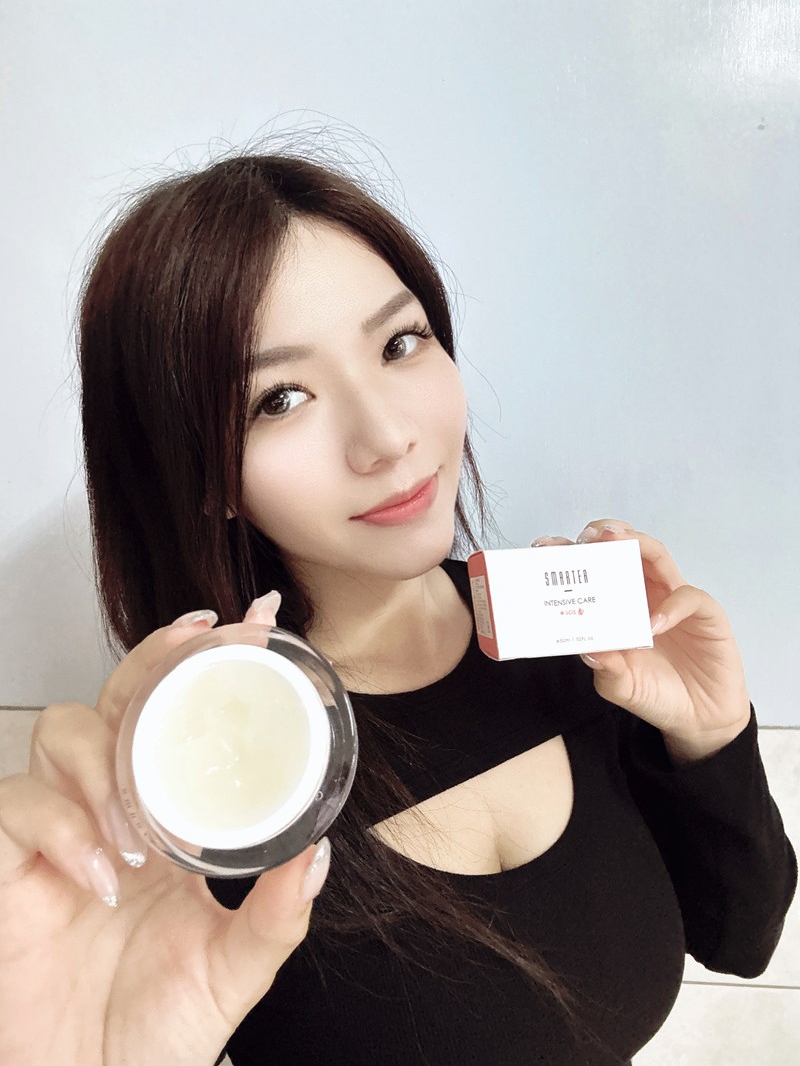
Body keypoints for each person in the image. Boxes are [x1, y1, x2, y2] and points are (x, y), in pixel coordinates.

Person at [0, 150, 795, 1066]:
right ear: (201, 474)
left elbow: (741, 939)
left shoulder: (571, 644)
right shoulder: (207, 784)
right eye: (279, 398)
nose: (386, 436)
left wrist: (710, 739)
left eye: (399, 343)